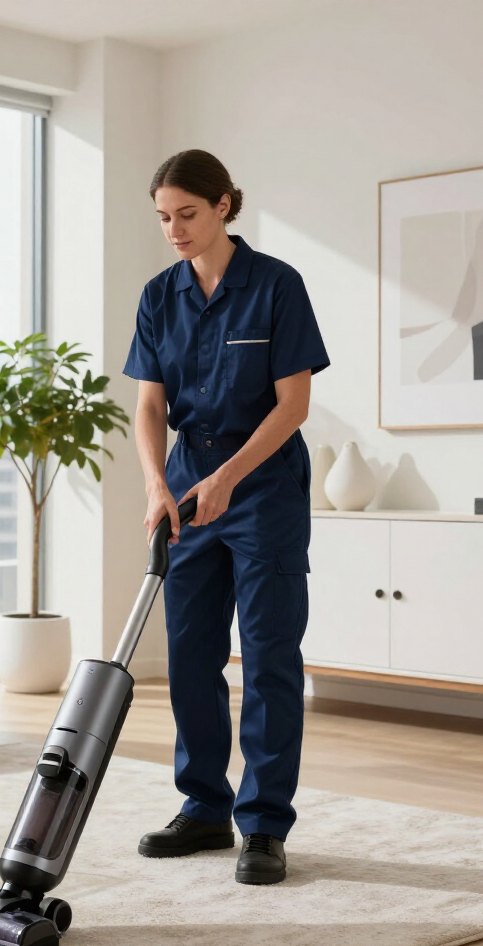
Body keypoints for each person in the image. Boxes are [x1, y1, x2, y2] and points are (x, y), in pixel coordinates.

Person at [124, 150, 329, 885]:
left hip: (263, 487)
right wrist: (157, 484)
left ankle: (264, 823)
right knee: (189, 655)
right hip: (185, 489)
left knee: (270, 658)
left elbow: (294, 405)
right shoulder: (159, 296)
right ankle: (204, 807)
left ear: (224, 206)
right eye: (163, 218)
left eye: (186, 214)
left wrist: (228, 478)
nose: (174, 230)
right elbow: (149, 405)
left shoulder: (275, 286)